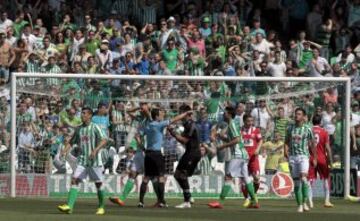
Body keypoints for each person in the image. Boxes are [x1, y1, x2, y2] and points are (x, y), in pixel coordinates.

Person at [138, 105, 193, 208]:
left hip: (148, 154)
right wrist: (185, 114)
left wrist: (142, 147)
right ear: (157, 116)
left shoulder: (148, 125)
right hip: (157, 153)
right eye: (160, 114)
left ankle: (141, 202)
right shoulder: (158, 125)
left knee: (146, 178)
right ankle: (162, 201)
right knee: (161, 178)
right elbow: (174, 119)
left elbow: (138, 135)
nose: (162, 115)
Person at [57, 107, 108, 215]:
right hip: (82, 160)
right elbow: (71, 142)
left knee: (98, 184)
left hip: (95, 161)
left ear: (90, 115)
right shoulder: (79, 129)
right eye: (82, 113)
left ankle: (101, 207)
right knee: (75, 180)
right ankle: (69, 207)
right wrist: (64, 151)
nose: (82, 115)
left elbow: (104, 140)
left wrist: (95, 150)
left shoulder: (95, 127)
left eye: (84, 113)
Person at [208, 106, 259, 209]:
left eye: (225, 113)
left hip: (238, 155)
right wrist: (219, 136)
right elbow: (231, 139)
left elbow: (236, 140)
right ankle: (254, 201)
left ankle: (220, 202)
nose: (223, 114)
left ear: (229, 114)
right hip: (243, 154)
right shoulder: (232, 124)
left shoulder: (231, 124)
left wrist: (223, 146)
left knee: (228, 177)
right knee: (246, 178)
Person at [168, 105, 201, 209]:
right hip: (189, 152)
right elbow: (183, 138)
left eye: (181, 112)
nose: (180, 115)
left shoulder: (191, 124)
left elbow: (184, 140)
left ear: (186, 114)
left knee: (181, 175)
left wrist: (173, 132)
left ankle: (187, 201)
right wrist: (174, 132)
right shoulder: (186, 124)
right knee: (177, 174)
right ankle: (189, 197)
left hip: (193, 153)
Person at [285, 108, 316, 213]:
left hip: (304, 156)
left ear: (303, 116)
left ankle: (305, 200)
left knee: (303, 178)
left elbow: (312, 144)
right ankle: (300, 205)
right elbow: (286, 141)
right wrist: (286, 152)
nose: (296, 116)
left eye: (299, 114)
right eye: (295, 114)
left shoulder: (308, 129)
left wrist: (315, 157)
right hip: (293, 157)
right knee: (297, 182)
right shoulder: (290, 128)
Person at [308, 114, 334, 208]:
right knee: (326, 179)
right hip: (322, 158)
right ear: (321, 122)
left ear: (312, 122)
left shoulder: (309, 130)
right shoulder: (324, 132)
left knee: (309, 180)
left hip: (311, 158)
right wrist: (330, 161)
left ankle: (310, 202)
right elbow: (327, 147)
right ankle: (327, 201)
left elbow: (308, 144)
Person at [240, 114, 262, 208]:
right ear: (244, 121)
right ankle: (247, 199)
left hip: (253, 158)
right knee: (244, 181)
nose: (250, 123)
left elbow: (261, 140)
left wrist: (257, 149)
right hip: (243, 159)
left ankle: (251, 197)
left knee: (256, 178)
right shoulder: (240, 130)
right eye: (248, 121)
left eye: (251, 121)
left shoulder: (256, 130)